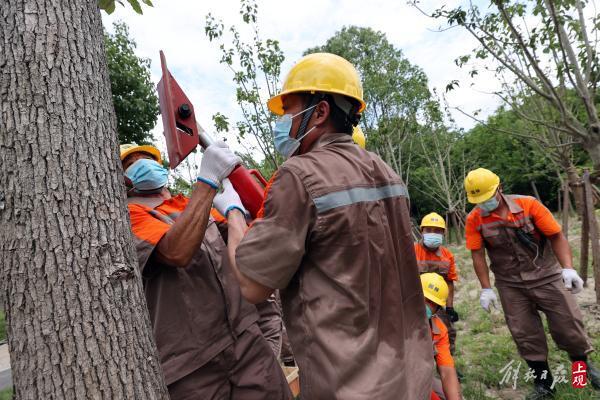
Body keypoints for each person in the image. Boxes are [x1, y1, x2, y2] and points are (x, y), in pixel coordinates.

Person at [211, 52, 434, 399]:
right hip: (409, 374)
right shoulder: (385, 171)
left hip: (349, 383)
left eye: (289, 109)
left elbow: (252, 286)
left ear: (320, 111)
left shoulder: (300, 174)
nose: (283, 120)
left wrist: (234, 211)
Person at [119, 143, 291, 400]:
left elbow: (245, 242)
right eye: (131, 163)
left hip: (246, 341)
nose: (144, 165)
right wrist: (208, 182)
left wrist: (239, 208)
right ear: (122, 179)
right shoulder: (129, 218)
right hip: (192, 367)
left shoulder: (190, 205)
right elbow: (176, 251)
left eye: (147, 158)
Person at [464, 167, 599, 399]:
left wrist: (567, 268)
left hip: (546, 276)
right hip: (510, 284)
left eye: (486, 198)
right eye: (478, 201)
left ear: (499, 189)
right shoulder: (474, 219)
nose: (483, 204)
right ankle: (544, 384)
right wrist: (486, 288)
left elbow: (556, 235)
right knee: (525, 333)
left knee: (569, 326)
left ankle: (583, 373)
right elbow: (477, 254)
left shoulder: (528, 205)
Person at [414, 212, 459, 354]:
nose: (433, 233)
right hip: (414, 303)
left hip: (437, 304)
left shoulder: (447, 256)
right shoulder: (411, 251)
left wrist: (450, 308)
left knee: (447, 332)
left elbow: (449, 282)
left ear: (444, 233)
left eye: (437, 230)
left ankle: (447, 363)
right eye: (429, 230)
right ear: (422, 231)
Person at [421, 273, 462, 400]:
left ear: (438, 308)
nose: (426, 305)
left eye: (432, 303)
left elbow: (447, 372)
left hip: (418, 375)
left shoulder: (438, 330)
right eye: (424, 298)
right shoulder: (393, 318)